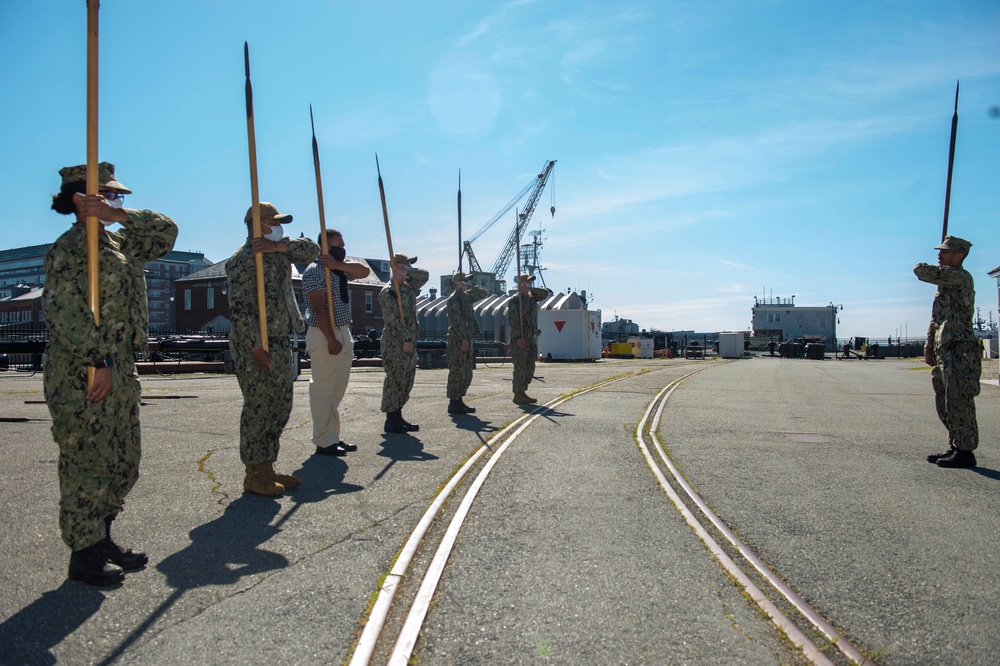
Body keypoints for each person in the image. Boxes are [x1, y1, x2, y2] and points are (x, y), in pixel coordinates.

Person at [44, 162, 178, 586]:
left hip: (120, 366)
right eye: (109, 196)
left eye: (116, 197)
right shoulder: (70, 248)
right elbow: (63, 310)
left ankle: (101, 536)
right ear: (80, 199)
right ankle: (83, 555)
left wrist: (118, 216)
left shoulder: (120, 244)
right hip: (82, 369)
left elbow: (167, 231)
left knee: (123, 460)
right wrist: (95, 362)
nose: (115, 202)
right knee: (88, 462)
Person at [227, 202, 319, 495]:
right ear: (257, 225)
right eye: (273, 222)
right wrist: (255, 346)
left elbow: (313, 249)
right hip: (255, 343)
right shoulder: (243, 261)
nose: (279, 227)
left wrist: (279, 247)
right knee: (259, 407)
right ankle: (254, 473)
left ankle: (266, 465)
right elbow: (240, 310)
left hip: (279, 339)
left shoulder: (280, 252)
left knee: (280, 406)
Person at [914, 236, 981, 468]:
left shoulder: (959, 277)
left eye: (946, 251)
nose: (940, 255)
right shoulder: (946, 283)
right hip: (945, 348)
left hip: (960, 348)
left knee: (959, 400)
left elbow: (923, 272)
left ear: (959, 254)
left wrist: (921, 266)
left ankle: (965, 451)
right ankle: (955, 445)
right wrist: (929, 346)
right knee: (944, 401)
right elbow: (936, 319)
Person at [302, 229, 370, 456]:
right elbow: (318, 308)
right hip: (324, 333)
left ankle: (332, 436)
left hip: (344, 331)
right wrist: (331, 338)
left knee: (337, 389)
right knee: (323, 389)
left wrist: (337, 264)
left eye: (343, 244)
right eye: (337, 244)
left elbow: (364, 271)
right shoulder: (314, 271)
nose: (342, 248)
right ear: (325, 247)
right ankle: (324, 441)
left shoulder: (340, 270)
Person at [379, 254, 428, 433]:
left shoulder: (407, 289)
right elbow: (392, 320)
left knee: (407, 381)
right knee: (395, 380)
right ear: (396, 265)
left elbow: (425, 275)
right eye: (405, 264)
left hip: (409, 342)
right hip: (396, 342)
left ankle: (398, 416)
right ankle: (391, 419)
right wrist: (406, 339)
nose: (408, 267)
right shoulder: (389, 291)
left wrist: (406, 272)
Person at [446, 272, 487, 414]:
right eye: (464, 280)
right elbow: (456, 322)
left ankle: (459, 400)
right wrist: (463, 338)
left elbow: (483, 292)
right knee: (457, 371)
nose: (467, 282)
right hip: (458, 339)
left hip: (467, 338)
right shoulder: (454, 300)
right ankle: (454, 402)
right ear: (457, 282)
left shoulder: (467, 297)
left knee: (466, 372)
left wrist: (469, 287)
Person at [506, 274, 550, 404]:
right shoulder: (515, 300)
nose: (530, 283)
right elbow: (513, 321)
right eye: (527, 282)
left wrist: (529, 290)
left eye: (530, 282)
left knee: (530, 366)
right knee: (520, 366)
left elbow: (545, 293)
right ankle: (518, 393)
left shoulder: (531, 298)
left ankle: (523, 391)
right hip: (520, 338)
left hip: (531, 338)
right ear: (521, 283)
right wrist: (519, 337)